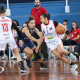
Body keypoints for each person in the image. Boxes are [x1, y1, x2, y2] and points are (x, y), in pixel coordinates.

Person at [0, 6, 27, 73]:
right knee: (17, 53)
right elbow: (18, 30)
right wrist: (20, 39)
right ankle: (22, 68)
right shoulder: (10, 19)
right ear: (5, 13)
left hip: (2, 38)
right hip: (10, 37)